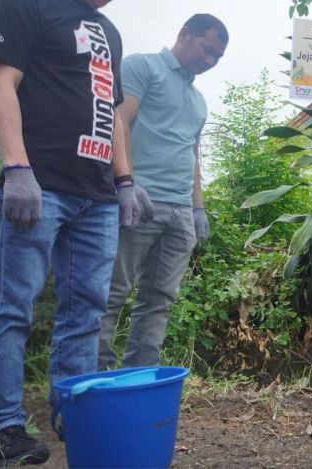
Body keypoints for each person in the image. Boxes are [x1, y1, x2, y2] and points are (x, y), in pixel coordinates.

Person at [0, 0, 153, 465]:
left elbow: (112, 111)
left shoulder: (109, 31)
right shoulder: (27, 7)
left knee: (85, 313)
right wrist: (18, 168)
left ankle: (72, 414)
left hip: (97, 197)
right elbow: (3, 82)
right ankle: (5, 427)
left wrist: (124, 181)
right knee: (13, 307)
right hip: (40, 185)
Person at [97, 14, 228, 371]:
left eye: (217, 57)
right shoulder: (143, 68)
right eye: (207, 49)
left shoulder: (199, 100)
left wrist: (197, 208)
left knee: (159, 299)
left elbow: (193, 154)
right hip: (139, 202)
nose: (210, 61)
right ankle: (96, 382)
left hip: (180, 212)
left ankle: (138, 380)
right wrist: (126, 183)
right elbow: (117, 121)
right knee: (111, 294)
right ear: (185, 34)